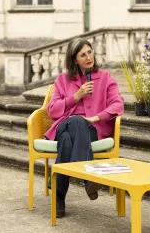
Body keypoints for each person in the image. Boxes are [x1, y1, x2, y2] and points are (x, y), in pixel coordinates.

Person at [44, 37, 124, 218]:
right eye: (82, 55)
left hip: (91, 131)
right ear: (74, 60)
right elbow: (52, 110)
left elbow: (118, 104)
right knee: (75, 121)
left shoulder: (105, 77)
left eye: (90, 52)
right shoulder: (62, 80)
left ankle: (58, 194)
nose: (89, 57)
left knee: (66, 140)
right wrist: (76, 96)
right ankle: (88, 178)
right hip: (65, 124)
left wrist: (96, 118)